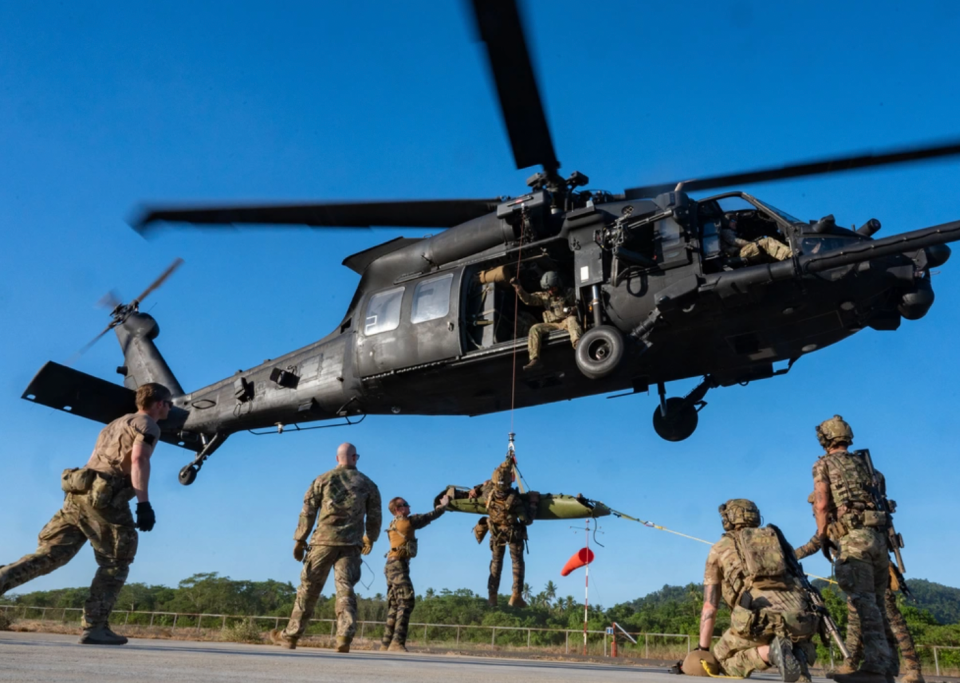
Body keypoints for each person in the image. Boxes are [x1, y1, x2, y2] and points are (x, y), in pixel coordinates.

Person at [0, 383, 171, 645]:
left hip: (78, 493)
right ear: (159, 403)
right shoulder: (148, 425)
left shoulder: (113, 425)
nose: (170, 408)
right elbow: (139, 460)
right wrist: (143, 504)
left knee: (49, 556)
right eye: (168, 403)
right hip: (105, 499)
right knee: (116, 561)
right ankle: (95, 627)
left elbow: (92, 460)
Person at [271, 442, 381, 653]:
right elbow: (375, 516)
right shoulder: (368, 484)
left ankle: (291, 636)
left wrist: (299, 540)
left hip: (323, 542)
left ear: (337, 458)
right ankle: (344, 637)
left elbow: (308, 511)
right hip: (350, 545)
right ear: (355, 458)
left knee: (309, 589)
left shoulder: (322, 479)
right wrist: (370, 538)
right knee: (345, 590)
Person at [812, 416, 895, 683]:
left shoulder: (823, 464)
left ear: (825, 439)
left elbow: (822, 504)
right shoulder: (869, 467)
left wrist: (823, 536)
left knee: (864, 603)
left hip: (854, 540)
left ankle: (874, 669)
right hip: (879, 540)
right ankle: (888, 668)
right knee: (879, 604)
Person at [698, 499, 819, 682]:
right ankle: (798, 655)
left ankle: (770, 653)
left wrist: (702, 649)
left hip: (758, 622)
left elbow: (710, 606)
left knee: (722, 661)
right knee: (793, 646)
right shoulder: (778, 542)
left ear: (728, 519)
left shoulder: (719, 549)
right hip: (800, 619)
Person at [380, 493, 450, 652]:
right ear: (398, 509)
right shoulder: (406, 522)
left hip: (391, 565)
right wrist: (444, 505)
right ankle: (397, 643)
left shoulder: (394, 523)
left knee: (394, 604)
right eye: (405, 504)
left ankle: (386, 643)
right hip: (398, 565)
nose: (409, 506)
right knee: (406, 601)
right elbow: (429, 516)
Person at [469, 456, 532, 607]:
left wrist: (478, 487)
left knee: (496, 564)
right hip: (513, 535)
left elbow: (486, 485)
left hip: (496, 534)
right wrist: (534, 504)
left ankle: (492, 597)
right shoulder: (514, 499)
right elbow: (526, 520)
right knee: (517, 563)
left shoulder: (488, 493)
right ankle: (516, 596)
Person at [511, 271, 581, 371]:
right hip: (552, 325)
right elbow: (529, 299)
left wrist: (574, 309)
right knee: (535, 328)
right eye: (548, 289)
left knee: (572, 319)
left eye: (553, 288)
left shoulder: (569, 292)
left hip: (566, 321)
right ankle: (534, 359)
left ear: (558, 284)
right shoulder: (545, 296)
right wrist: (519, 289)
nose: (551, 291)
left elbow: (580, 304)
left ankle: (579, 345)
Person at [721, 217, 792, 266]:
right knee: (767, 241)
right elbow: (736, 242)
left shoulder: (730, 232)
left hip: (741, 252)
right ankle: (791, 255)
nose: (735, 223)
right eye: (733, 221)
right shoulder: (725, 231)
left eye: (735, 221)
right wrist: (753, 243)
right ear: (726, 222)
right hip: (739, 253)